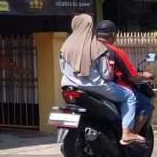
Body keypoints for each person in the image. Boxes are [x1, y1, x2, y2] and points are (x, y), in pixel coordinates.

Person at [58, 14, 144, 145]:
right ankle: (127, 132)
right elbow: (106, 74)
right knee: (129, 96)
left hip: (68, 86)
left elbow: (63, 69)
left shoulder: (65, 46)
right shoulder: (94, 46)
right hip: (95, 86)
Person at [95, 20, 155, 137]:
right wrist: (145, 76)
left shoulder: (88, 49)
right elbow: (133, 77)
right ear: (112, 35)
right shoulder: (115, 51)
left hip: (88, 87)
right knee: (146, 105)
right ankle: (130, 135)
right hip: (112, 88)